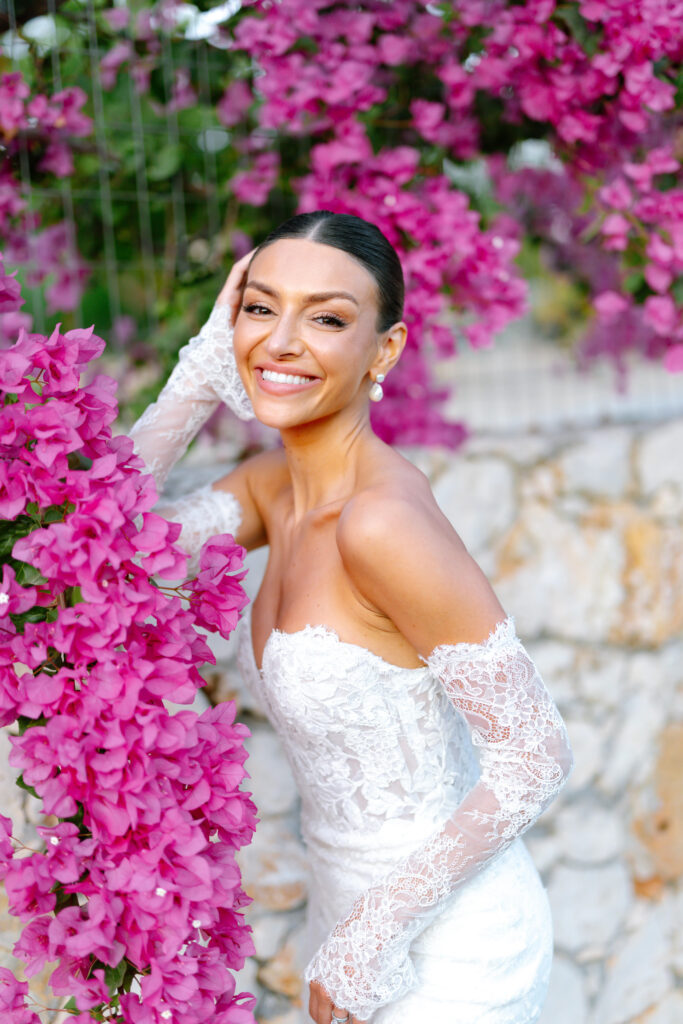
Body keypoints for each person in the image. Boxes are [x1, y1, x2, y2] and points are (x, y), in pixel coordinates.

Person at [129, 210, 574, 1024]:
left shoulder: (382, 523)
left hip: (447, 940)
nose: (281, 342)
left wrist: (372, 934)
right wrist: (198, 374)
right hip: (341, 911)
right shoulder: (272, 488)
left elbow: (535, 754)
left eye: (327, 318)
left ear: (386, 350)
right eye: (260, 308)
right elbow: (106, 541)